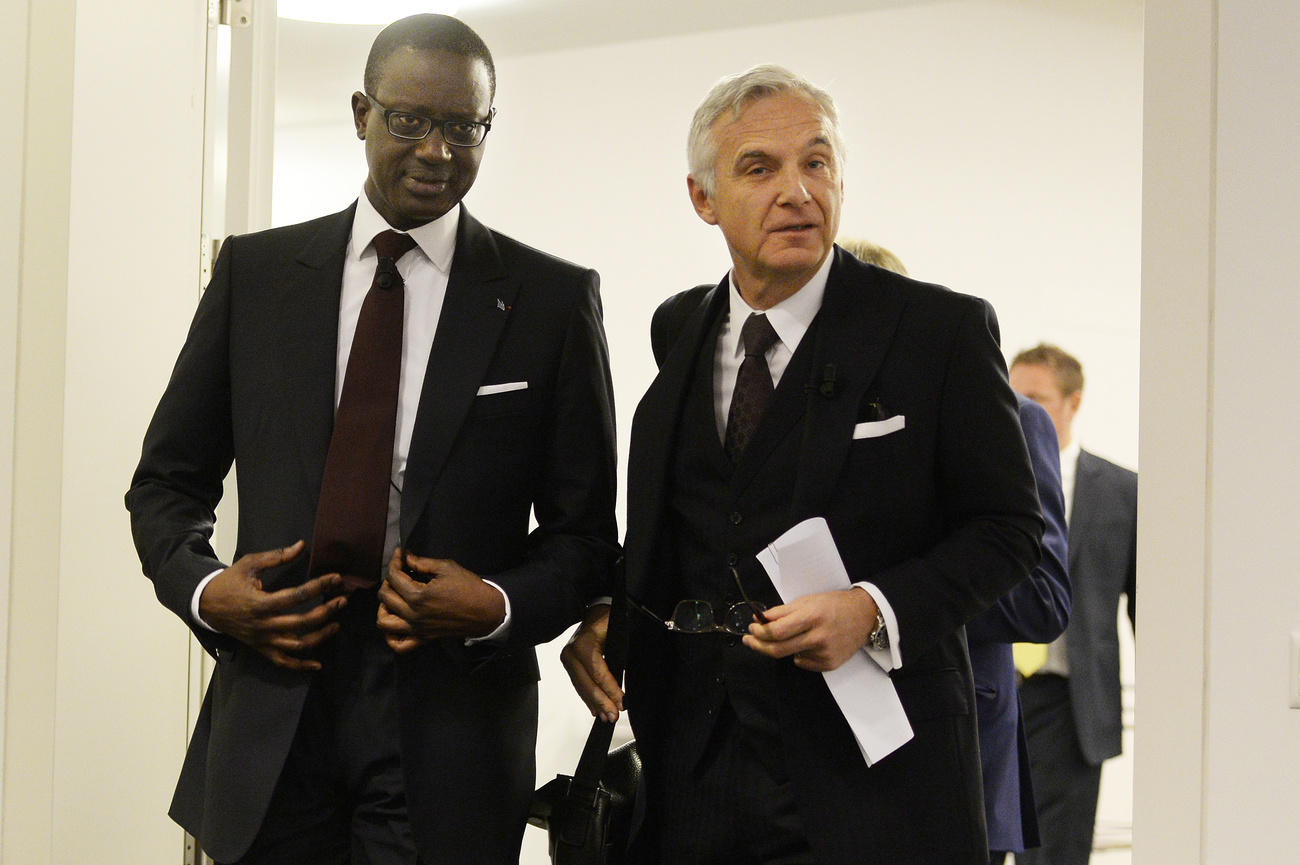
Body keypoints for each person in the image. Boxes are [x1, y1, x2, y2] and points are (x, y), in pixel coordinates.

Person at [125, 14, 618, 865]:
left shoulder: (550, 300)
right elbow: (166, 482)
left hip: (453, 724)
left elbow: (583, 539)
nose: (437, 150)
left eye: (466, 127)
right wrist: (209, 592)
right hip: (276, 705)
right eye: (409, 120)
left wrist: (495, 603)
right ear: (362, 113)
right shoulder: (256, 275)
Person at [562, 64, 1043, 865]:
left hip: (873, 782)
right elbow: (686, 523)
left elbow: (1010, 529)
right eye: (760, 168)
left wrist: (873, 608)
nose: (797, 190)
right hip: (692, 773)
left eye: (816, 163)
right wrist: (616, 610)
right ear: (703, 199)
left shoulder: (938, 333)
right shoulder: (679, 328)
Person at [840, 241, 1072, 864]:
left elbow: (1044, 601)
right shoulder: (799, 419)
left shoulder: (1014, 419)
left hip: (960, 732)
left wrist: (896, 602)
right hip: (829, 741)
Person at [1009, 343, 1137, 865]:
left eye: (1034, 399)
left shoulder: (1121, 492)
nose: (1019, 411)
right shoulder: (980, 480)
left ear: (1073, 402)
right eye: (1011, 397)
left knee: (1058, 855)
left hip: (1074, 706)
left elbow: (1145, 605)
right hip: (993, 691)